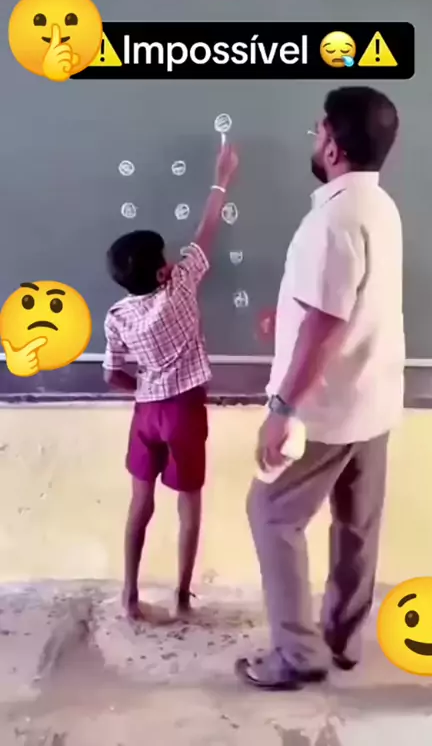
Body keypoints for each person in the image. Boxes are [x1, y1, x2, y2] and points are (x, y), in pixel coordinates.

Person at [235, 86, 405, 690]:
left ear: (333, 146)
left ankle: (297, 655)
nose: (315, 139)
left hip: (326, 412)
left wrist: (282, 408)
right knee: (357, 526)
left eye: (318, 131)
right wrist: (287, 318)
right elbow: (350, 304)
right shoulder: (378, 206)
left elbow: (327, 325)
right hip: (374, 400)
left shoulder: (331, 221)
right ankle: (343, 640)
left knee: (271, 515)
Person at [103, 143, 239, 620]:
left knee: (140, 502)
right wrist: (222, 177)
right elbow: (208, 228)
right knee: (188, 502)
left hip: (146, 412)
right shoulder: (180, 286)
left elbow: (112, 374)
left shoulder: (117, 316)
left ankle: (129, 594)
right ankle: (181, 597)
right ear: (163, 270)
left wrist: (141, 389)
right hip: (184, 410)